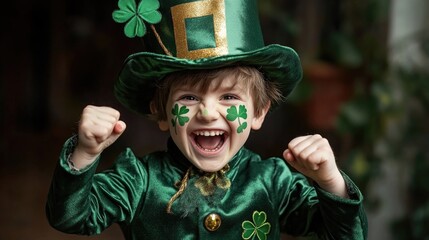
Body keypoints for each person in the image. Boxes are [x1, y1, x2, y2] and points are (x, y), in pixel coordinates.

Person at [46, 0, 368, 239]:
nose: (208, 112)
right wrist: (85, 154)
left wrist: (330, 182)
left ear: (258, 112)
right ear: (160, 112)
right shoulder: (137, 181)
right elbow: (70, 217)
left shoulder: (274, 183)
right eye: (189, 97)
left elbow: (345, 234)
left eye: (229, 97)